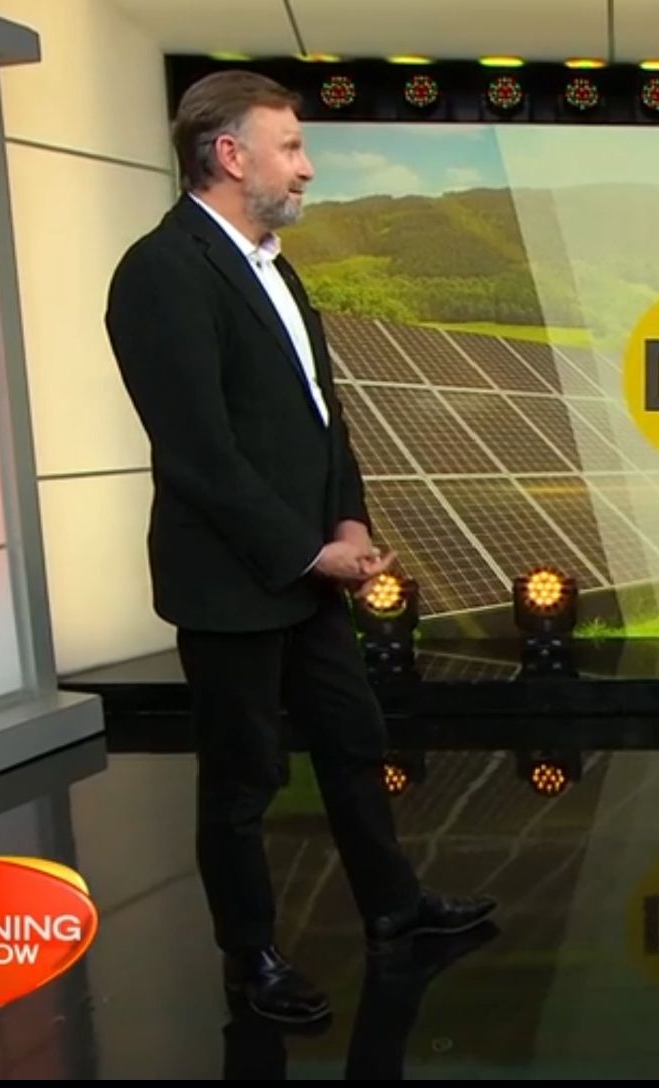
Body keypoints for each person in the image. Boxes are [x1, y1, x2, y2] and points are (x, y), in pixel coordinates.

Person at [103, 70, 495, 1025]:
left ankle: (394, 909)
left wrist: (348, 522)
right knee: (243, 781)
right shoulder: (161, 271)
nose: (308, 167)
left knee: (354, 743)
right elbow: (198, 452)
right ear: (229, 155)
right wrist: (306, 553)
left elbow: (322, 419)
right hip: (233, 583)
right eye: (290, 147)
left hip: (309, 573)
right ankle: (251, 962)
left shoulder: (276, 267)